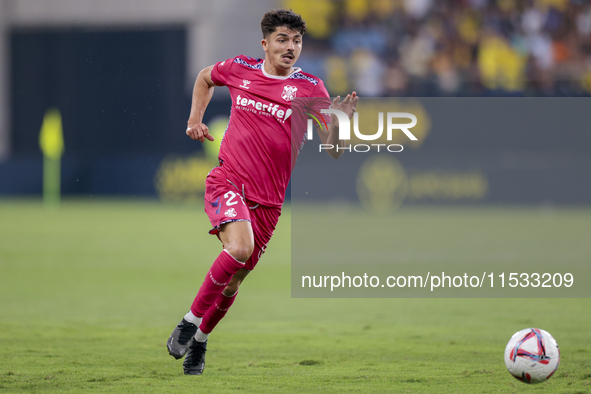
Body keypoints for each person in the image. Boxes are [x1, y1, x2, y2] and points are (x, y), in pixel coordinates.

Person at [167, 9, 358, 375]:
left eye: (297, 41)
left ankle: (201, 342)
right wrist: (194, 120)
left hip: (270, 201)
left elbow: (333, 148)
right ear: (266, 44)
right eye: (283, 40)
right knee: (239, 248)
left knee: (234, 280)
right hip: (230, 180)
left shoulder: (311, 88)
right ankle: (188, 323)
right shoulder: (241, 69)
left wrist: (342, 122)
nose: (291, 47)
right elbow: (205, 77)